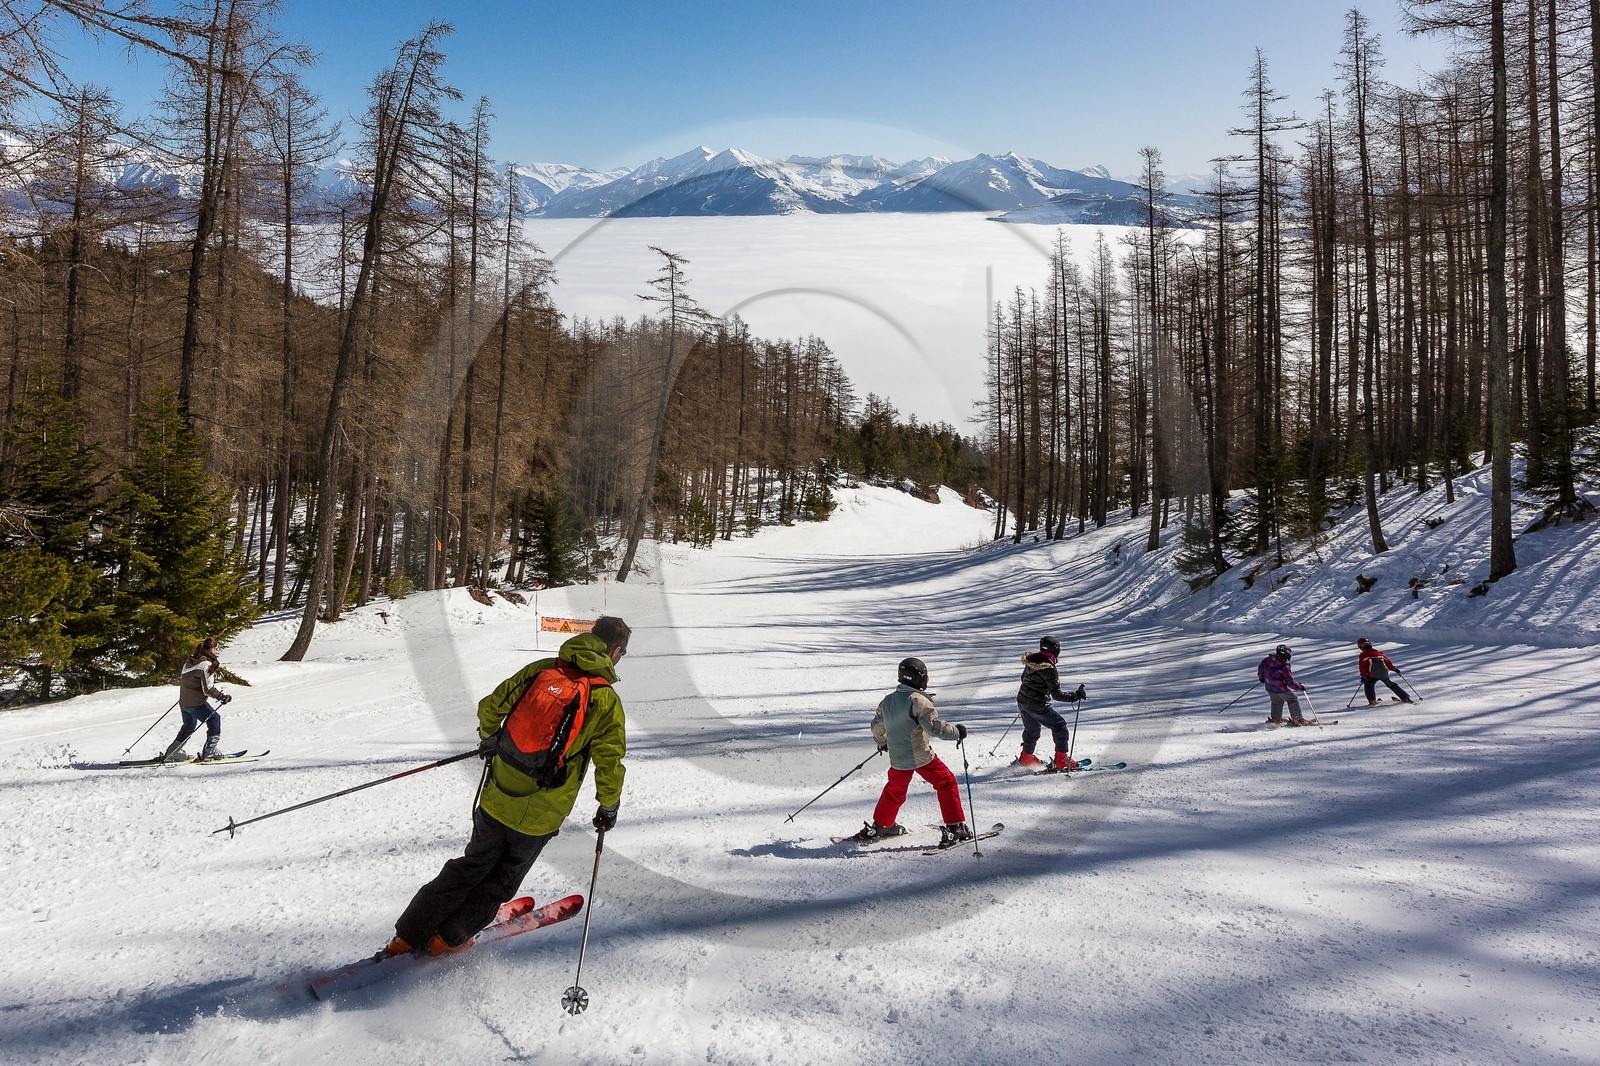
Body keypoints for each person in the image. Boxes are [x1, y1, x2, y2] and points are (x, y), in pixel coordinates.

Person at [387, 616, 631, 957]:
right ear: (616, 652)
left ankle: (407, 936)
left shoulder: (543, 669)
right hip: (540, 816)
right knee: (500, 879)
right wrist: (608, 807)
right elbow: (609, 762)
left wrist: (489, 737)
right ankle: (449, 939)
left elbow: (492, 706)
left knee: (470, 864)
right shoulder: (605, 700)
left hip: (497, 793)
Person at [852, 657, 972, 847]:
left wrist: (882, 742)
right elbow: (935, 728)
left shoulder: (888, 700)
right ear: (919, 680)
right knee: (946, 782)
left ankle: (883, 825)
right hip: (921, 756)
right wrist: (957, 732)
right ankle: (955, 827)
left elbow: (877, 726)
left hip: (898, 757)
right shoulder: (919, 701)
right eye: (925, 678)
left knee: (895, 790)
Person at [1015, 635, 1087, 770]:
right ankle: (1061, 760)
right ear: (1055, 650)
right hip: (1037, 705)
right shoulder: (1049, 668)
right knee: (1059, 725)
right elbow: (1057, 695)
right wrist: (1075, 696)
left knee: (1032, 731)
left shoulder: (1032, 661)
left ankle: (1026, 758)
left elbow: (1024, 679)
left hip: (1023, 701)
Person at [162, 637, 231, 762]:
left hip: (184, 702)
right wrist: (222, 697)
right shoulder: (206, 665)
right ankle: (210, 751)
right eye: (216, 649)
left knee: (189, 725)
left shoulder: (189, 662)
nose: (216, 651)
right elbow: (208, 689)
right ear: (212, 649)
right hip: (196, 703)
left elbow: (188, 682)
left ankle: (174, 752)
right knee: (214, 720)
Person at [1257, 643, 1308, 725]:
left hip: (1270, 687)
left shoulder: (1266, 661)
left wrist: (1262, 678)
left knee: (1276, 702)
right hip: (1281, 689)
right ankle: (1297, 720)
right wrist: (1299, 687)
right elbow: (1290, 682)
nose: (1286, 660)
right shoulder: (1284, 667)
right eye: (1286, 658)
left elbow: (1260, 670)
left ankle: (1275, 719)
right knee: (1292, 699)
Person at [1356, 638, 1412, 705]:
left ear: (1360, 647)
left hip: (1372, 674)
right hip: (1384, 673)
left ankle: (1372, 701)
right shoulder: (1379, 653)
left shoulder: (1363, 655)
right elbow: (1388, 662)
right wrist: (1394, 669)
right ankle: (1405, 698)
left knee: (1369, 685)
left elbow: (1362, 666)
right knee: (1391, 684)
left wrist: (1363, 675)